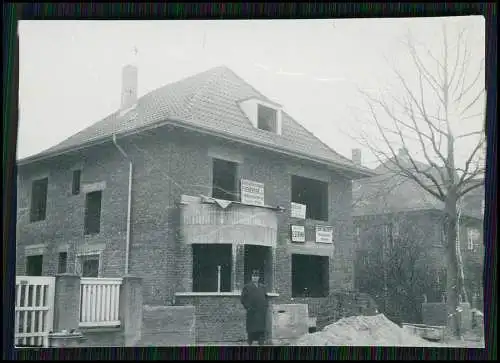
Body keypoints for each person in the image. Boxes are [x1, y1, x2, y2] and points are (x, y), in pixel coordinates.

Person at [240, 269, 269, 346]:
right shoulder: (247, 287)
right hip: (252, 312)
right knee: (251, 330)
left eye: (256, 276)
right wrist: (248, 307)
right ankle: (250, 343)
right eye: (253, 276)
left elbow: (266, 298)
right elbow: (243, 299)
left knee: (261, 330)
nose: (255, 278)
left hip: (261, 312)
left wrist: (265, 306)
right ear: (251, 277)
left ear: (258, 277)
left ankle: (261, 343)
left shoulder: (263, 287)